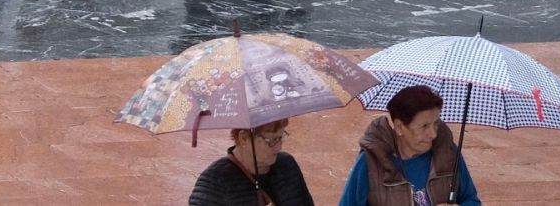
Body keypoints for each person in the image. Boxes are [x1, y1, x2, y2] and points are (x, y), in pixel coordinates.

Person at [337, 85, 481, 206]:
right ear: (400, 127)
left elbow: (471, 199)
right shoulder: (370, 162)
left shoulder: (448, 154)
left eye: (435, 124)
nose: (433, 134)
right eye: (424, 126)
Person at [189, 120, 315, 205]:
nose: (278, 147)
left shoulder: (286, 165)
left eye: (281, 137)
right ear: (244, 138)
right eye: (271, 140)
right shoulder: (215, 182)